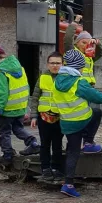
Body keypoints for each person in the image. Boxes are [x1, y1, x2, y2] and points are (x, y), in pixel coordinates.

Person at [53, 49, 102, 197]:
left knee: (72, 152)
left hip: (67, 122)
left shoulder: (57, 81)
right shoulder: (79, 82)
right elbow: (97, 98)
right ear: (78, 66)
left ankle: (68, 183)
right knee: (97, 112)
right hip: (81, 120)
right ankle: (88, 143)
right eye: (82, 66)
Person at [0, 44, 38, 166]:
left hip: (7, 109)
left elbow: (2, 93)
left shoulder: (1, 72)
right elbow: (26, 88)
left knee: (5, 132)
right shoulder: (20, 68)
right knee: (18, 128)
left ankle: (7, 155)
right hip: (20, 108)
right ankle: (33, 143)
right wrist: (26, 107)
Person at [29, 52, 65, 185]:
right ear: (47, 64)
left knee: (57, 144)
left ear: (62, 64)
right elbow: (35, 97)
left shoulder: (65, 77)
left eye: (58, 63)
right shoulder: (43, 77)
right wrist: (33, 116)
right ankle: (45, 169)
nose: (55, 66)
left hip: (59, 117)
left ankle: (56, 169)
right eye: (52, 63)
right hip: (43, 117)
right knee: (45, 144)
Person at [63, 14, 102, 85]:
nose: (86, 46)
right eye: (83, 42)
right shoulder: (72, 52)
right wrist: (76, 22)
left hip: (89, 86)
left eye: (88, 43)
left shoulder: (89, 56)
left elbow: (100, 53)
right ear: (77, 43)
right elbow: (68, 38)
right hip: (77, 85)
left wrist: (97, 42)